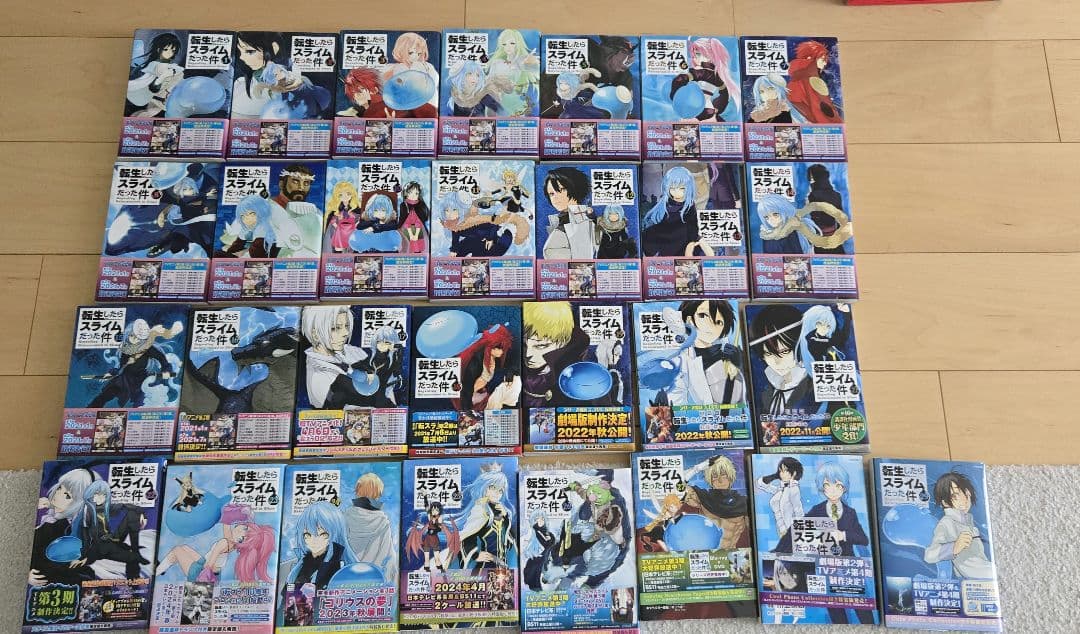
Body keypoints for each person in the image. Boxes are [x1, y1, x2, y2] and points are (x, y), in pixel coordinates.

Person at [924, 471, 995, 579]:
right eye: (955, 496)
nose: (963, 500)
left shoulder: (971, 526)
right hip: (979, 574)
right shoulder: (947, 523)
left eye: (965, 493)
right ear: (945, 503)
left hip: (981, 576)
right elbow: (929, 555)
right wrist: (954, 547)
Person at [541, 167, 596, 259]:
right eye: (551, 194)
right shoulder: (560, 220)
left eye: (561, 190)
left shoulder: (584, 221)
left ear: (576, 188)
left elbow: (583, 257)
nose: (555, 198)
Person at [755, 457, 804, 553]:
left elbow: (798, 510)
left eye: (785, 471)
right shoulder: (782, 489)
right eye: (780, 471)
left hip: (790, 528)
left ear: (794, 473)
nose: (781, 473)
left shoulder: (793, 489)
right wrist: (775, 476)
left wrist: (799, 530)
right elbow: (760, 484)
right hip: (781, 528)